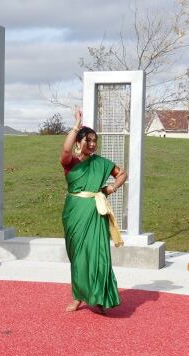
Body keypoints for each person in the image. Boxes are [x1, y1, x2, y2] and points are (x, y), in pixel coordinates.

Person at [60, 107, 127, 313]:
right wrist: (76, 126)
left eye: (94, 140)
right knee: (78, 256)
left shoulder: (101, 163)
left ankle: (98, 296)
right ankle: (78, 296)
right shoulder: (70, 163)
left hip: (95, 212)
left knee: (98, 255)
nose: (91, 144)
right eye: (87, 140)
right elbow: (65, 150)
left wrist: (111, 188)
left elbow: (122, 174)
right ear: (79, 143)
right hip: (74, 212)